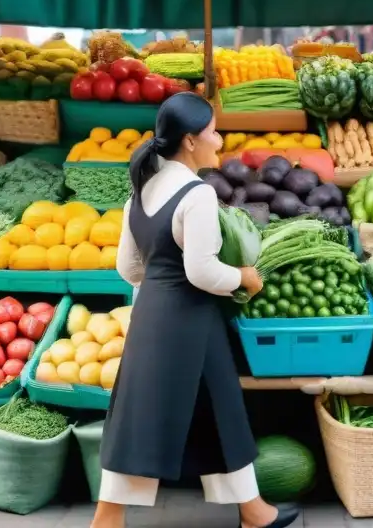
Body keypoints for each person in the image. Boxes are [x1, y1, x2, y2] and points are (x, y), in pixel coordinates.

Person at [92, 93, 299, 528]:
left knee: (150, 412)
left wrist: (159, 289)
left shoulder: (140, 191)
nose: (219, 140)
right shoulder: (197, 193)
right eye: (212, 131)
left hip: (151, 315)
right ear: (190, 141)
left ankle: (249, 510)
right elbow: (203, 272)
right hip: (191, 319)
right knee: (219, 408)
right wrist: (245, 277)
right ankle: (251, 512)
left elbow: (127, 268)